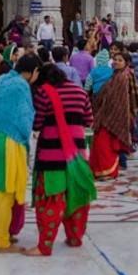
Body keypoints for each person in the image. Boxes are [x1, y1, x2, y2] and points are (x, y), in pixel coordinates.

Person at [25, 62, 96, 256]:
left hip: (51, 155)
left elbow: (37, 123)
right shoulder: (80, 92)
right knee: (77, 195)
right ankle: (74, 238)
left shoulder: (43, 93)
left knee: (51, 199)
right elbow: (89, 120)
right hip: (77, 154)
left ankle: (44, 246)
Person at [0, 54, 40, 253]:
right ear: (32, 72)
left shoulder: (0, 80)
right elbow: (24, 118)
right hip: (9, 141)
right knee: (7, 192)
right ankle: (2, 241)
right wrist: (26, 139)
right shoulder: (21, 86)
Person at [89, 51, 137, 179]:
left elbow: (118, 100)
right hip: (105, 116)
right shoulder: (114, 76)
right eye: (115, 59)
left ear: (126, 63)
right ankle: (101, 170)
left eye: (120, 60)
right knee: (101, 145)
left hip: (112, 117)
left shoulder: (122, 78)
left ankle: (107, 171)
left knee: (105, 146)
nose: (116, 62)